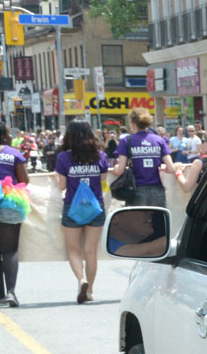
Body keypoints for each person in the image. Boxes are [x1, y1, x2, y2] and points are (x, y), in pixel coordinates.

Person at [55, 120, 110, 304]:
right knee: (90, 251)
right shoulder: (100, 156)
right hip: (95, 206)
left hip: (73, 207)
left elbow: (62, 185)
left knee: (73, 249)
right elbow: (104, 184)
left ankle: (81, 280)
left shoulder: (64, 157)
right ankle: (91, 290)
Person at [111, 108, 174, 207]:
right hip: (157, 191)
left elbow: (120, 171)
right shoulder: (159, 140)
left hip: (136, 190)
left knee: (137, 222)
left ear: (132, 123)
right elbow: (171, 168)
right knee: (157, 221)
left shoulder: (126, 141)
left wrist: (115, 169)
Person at [0, 123, 30, 307]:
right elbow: (24, 180)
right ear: (3, 136)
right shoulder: (13, 154)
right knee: (10, 250)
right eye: (9, 133)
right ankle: (11, 292)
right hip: (9, 203)